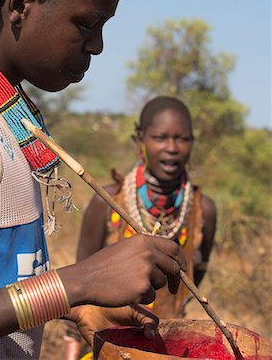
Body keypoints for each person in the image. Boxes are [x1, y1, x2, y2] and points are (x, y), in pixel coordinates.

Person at [0, 0, 187, 359]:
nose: (98, 46)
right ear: (20, 3)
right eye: (88, 23)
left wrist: (77, 305)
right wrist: (74, 284)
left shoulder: (6, 109)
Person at [64, 96, 217, 359]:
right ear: (140, 141)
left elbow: (194, 280)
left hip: (171, 348)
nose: (171, 148)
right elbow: (79, 285)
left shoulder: (203, 212)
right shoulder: (107, 202)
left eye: (182, 138)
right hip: (110, 345)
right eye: (160, 137)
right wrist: (72, 346)